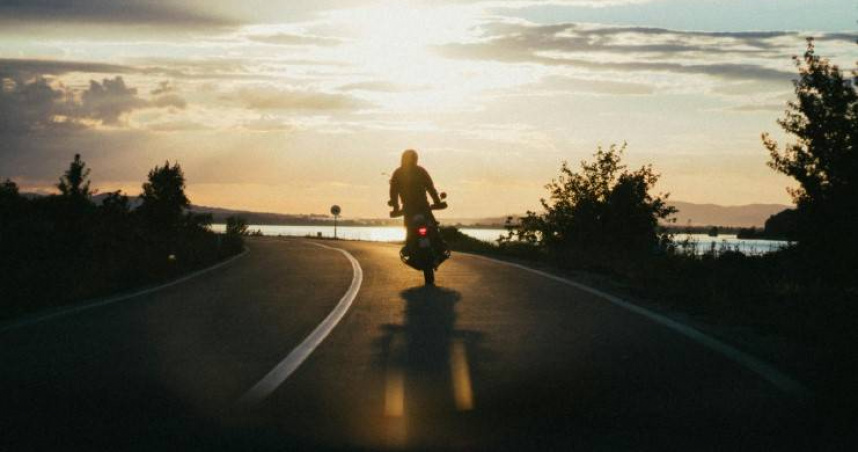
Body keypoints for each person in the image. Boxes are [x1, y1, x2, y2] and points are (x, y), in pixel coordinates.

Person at [389, 149, 447, 252]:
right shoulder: (421, 171)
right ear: (416, 159)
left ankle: (411, 247)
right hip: (423, 206)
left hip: (409, 208)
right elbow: (431, 188)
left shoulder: (398, 173)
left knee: (412, 230)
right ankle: (439, 245)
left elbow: (394, 192)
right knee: (432, 226)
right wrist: (437, 201)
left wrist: (395, 206)